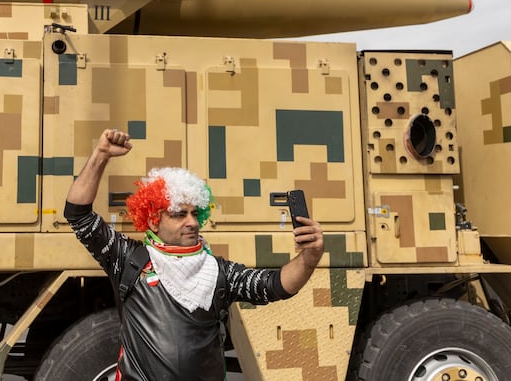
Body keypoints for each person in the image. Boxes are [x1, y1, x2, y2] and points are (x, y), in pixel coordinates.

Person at [65, 128, 325, 380]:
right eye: (179, 214)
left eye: (195, 213)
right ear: (154, 221)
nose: (191, 222)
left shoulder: (220, 272)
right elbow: (79, 216)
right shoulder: (129, 259)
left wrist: (309, 258)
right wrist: (100, 155)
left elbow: (275, 285)